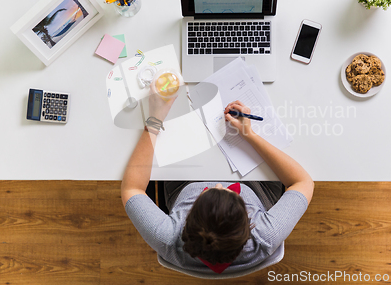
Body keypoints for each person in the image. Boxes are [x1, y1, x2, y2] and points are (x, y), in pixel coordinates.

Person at [121, 94, 314, 275]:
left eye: (209, 192)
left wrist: (154, 121)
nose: (220, 185)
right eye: (232, 195)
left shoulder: (168, 238)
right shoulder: (265, 235)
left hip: (183, 186)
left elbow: (132, 188)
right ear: (249, 226)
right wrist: (249, 134)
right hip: (257, 189)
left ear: (188, 221)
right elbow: (302, 181)